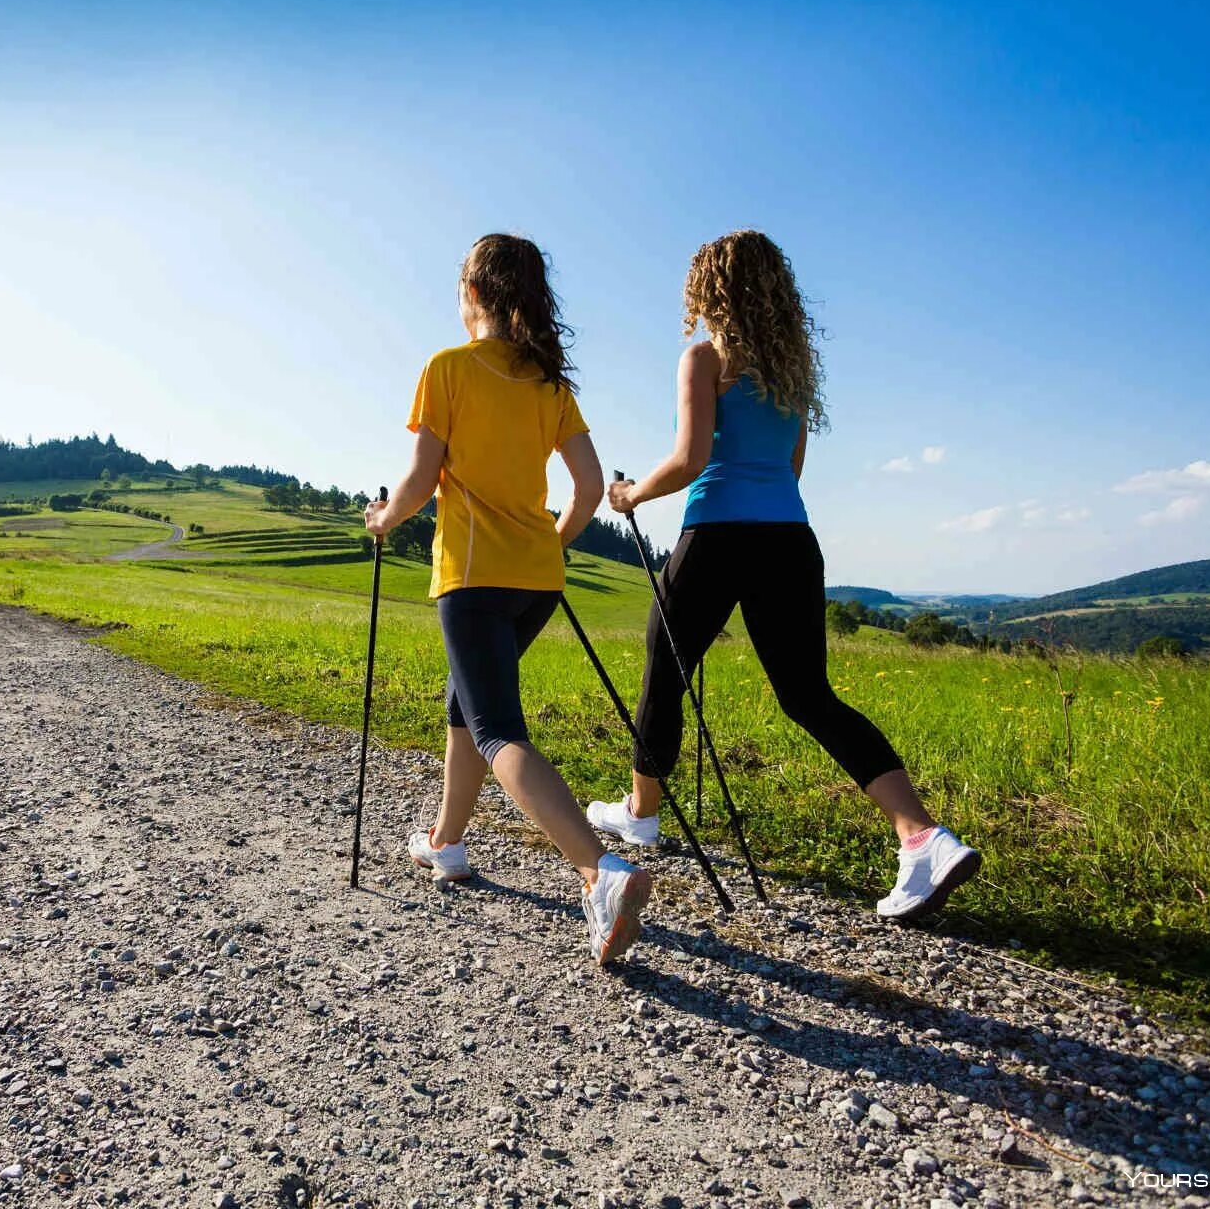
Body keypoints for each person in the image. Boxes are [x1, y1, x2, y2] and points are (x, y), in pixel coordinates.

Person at [595, 229, 980, 922]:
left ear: (709, 290)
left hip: (715, 532)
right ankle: (921, 835)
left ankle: (641, 816)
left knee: (663, 663)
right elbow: (791, 467)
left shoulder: (704, 359)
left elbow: (688, 459)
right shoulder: (791, 371)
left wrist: (629, 497)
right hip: (790, 538)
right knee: (809, 696)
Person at [364, 233, 653, 964]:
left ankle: (601, 873)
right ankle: (447, 843)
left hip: (472, 576)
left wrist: (383, 519)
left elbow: (422, 480)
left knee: (497, 730)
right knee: (464, 706)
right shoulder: (552, 384)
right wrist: (552, 541)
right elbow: (588, 489)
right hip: (538, 579)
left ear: (476, 292)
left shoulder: (447, 368)